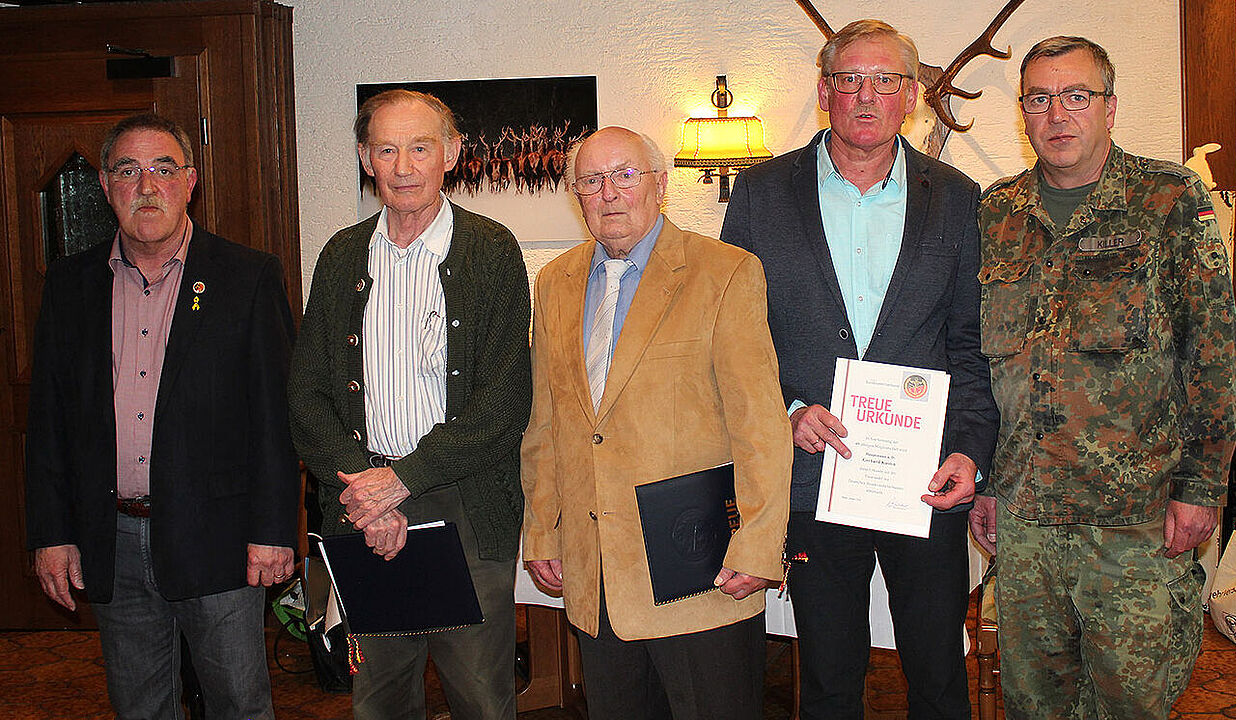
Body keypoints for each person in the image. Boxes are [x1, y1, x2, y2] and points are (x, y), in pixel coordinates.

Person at [720, 19, 1000, 719]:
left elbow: (970, 343)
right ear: (824, 91)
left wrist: (969, 448)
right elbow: (737, 338)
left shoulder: (959, 197)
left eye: (885, 80)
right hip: (817, 479)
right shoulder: (759, 195)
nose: (866, 95)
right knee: (828, 679)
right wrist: (787, 408)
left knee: (939, 677)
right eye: (849, 79)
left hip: (925, 480)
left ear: (911, 95)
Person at [969, 36, 1236, 719]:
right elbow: (984, 366)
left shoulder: (1169, 201)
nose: (1057, 114)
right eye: (1039, 98)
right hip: (1027, 524)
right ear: (1023, 113)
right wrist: (991, 482)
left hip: (1137, 522)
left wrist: (1203, 487)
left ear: (1110, 108)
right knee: (1033, 705)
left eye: (1077, 96)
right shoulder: (997, 213)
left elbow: (1214, 354)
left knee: (1132, 702)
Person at [25, 113, 298, 720]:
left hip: (221, 541)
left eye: (163, 169)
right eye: (128, 170)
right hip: (112, 539)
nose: (147, 186)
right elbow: (48, 423)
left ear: (191, 181)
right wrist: (51, 533)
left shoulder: (246, 277)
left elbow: (276, 421)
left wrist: (274, 529)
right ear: (104, 184)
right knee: (141, 708)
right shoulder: (69, 287)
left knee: (239, 705)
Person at [521, 126, 792, 720]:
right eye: (592, 180)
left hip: (698, 569)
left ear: (659, 185)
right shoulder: (555, 282)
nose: (609, 193)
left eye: (625, 175)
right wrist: (543, 529)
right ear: (576, 194)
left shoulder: (725, 272)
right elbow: (546, 423)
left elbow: (761, 426)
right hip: (597, 575)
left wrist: (757, 543)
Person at [288, 89, 531, 720]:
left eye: (420, 148)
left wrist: (402, 480)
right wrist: (368, 494)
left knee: (480, 696)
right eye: (388, 150)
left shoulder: (492, 251)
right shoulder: (341, 255)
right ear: (365, 158)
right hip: (361, 500)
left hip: (466, 504)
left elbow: (503, 403)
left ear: (451, 153)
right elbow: (308, 395)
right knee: (380, 697)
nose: (404, 167)